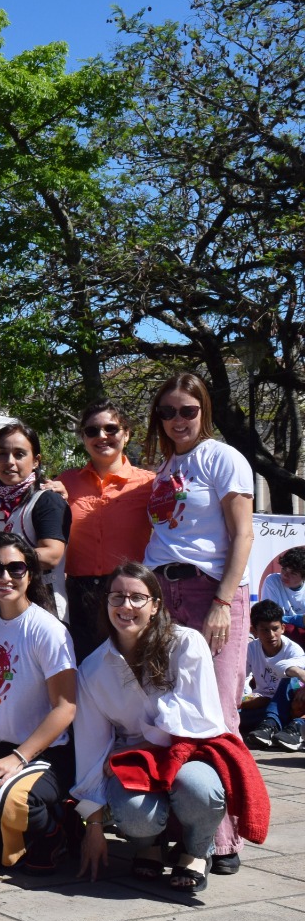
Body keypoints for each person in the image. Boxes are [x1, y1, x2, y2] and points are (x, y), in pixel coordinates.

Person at [144, 371, 255, 874]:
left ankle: (222, 837)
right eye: (167, 412)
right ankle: (180, 827)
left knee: (219, 713)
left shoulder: (223, 458)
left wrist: (223, 601)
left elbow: (244, 534)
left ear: (203, 410)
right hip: (163, 593)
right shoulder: (165, 466)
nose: (177, 420)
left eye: (187, 410)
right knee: (172, 710)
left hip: (210, 591)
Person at [74, 563, 240, 893]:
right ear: (106, 603)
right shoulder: (92, 669)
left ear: (155, 606)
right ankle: (148, 845)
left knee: (199, 790)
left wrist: (143, 746)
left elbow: (196, 718)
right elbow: (90, 747)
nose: (126, 606)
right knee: (134, 812)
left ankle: (196, 850)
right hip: (134, 760)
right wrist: (93, 824)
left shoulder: (186, 643)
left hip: (189, 751)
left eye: (137, 597)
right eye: (117, 596)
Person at [0, 533, 78, 875]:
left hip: (43, 755)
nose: (5, 576)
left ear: (31, 574)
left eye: (15, 568)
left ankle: (55, 831)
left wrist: (19, 757)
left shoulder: (47, 630)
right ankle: (26, 825)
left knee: (3, 802)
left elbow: (66, 707)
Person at [57, 400, 155, 662]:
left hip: (130, 593)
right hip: (79, 596)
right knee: (85, 672)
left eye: (111, 429)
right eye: (92, 431)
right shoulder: (65, 482)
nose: (101, 436)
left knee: (131, 670)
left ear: (127, 434)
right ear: (83, 438)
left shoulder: (150, 484)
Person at [0, 422, 72, 622]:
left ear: (36, 461)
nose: (9, 461)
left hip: (43, 607)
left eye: (19, 454)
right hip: (1, 609)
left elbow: (52, 555)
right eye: (2, 454)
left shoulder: (47, 500)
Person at [241, 599, 305, 751]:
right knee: (232, 716)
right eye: (264, 630)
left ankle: (273, 725)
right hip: (263, 703)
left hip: (291, 704)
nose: (271, 635)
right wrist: (244, 698)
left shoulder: (294, 650)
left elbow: (283, 668)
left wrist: (299, 673)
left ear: (283, 628)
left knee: (289, 677)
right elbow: (239, 678)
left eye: (275, 629)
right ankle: (273, 726)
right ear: (254, 631)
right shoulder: (250, 649)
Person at [260, 547, 305, 623]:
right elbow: (269, 617)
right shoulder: (272, 581)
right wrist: (299, 620)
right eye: (284, 569)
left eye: (293, 573)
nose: (285, 575)